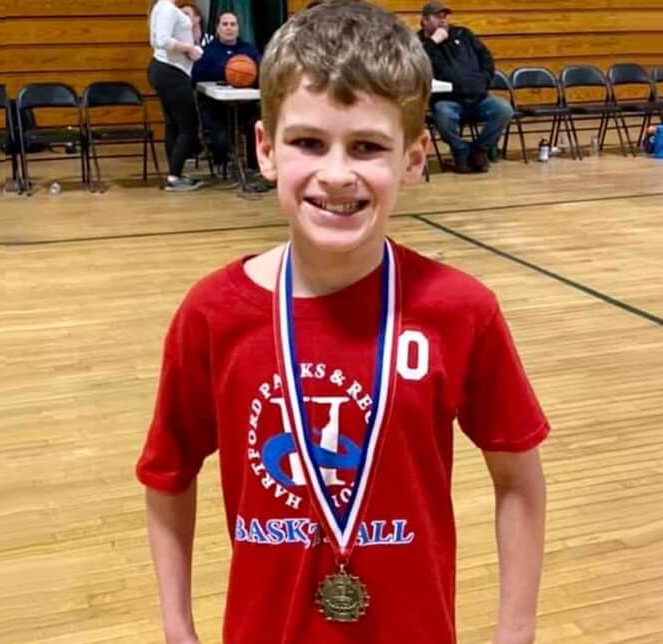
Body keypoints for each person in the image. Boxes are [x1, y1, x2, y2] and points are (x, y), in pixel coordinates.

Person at [136, 2, 548, 643]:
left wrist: (514, 633)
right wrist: (176, 630)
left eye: (367, 147)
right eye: (307, 142)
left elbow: (519, 480)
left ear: (412, 159)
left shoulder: (460, 310)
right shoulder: (211, 315)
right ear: (267, 150)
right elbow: (167, 476)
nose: (335, 174)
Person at [418, 1, 514, 173]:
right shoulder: (419, 42)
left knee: (504, 110)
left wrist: (483, 79)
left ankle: (479, 150)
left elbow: (486, 58)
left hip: (478, 98)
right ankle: (462, 152)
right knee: (443, 116)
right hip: (447, 100)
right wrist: (433, 42)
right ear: (425, 20)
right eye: (437, 17)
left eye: (445, 16)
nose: (443, 21)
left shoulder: (463, 34)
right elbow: (416, 63)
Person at [191, 11, 262, 170]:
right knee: (220, 139)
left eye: (233, 24)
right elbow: (196, 77)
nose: (229, 28)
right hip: (215, 107)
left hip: (244, 104)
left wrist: (248, 78)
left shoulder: (248, 49)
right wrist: (228, 74)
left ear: (238, 28)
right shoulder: (207, 51)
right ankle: (221, 163)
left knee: (257, 124)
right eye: (225, 24)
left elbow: (261, 69)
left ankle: (255, 166)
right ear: (217, 28)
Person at [147, 0, 204, 191]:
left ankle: (175, 173)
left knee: (173, 125)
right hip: (171, 72)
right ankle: (174, 177)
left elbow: (156, 40)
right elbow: (162, 40)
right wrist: (189, 49)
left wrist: (192, 36)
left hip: (166, 71)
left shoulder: (161, 8)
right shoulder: (167, 8)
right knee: (188, 126)